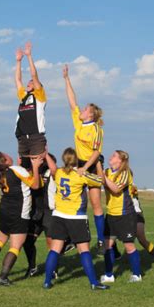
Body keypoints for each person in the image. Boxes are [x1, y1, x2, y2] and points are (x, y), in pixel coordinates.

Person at [43, 148, 109, 290]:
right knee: (84, 250)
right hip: (76, 217)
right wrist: (97, 164)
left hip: (59, 216)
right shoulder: (81, 175)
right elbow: (101, 181)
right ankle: (93, 282)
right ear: (77, 160)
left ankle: (47, 281)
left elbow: (52, 169)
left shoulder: (59, 173)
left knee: (54, 249)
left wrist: (46, 153)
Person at [0, 152, 42, 286]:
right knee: (15, 246)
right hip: (18, 212)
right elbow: (35, 185)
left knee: (0, 240)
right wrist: (36, 166)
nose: (9, 154)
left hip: (4, 210)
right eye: (6, 155)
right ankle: (3, 277)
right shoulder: (16, 170)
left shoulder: (2, 174)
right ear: (5, 160)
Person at [63, 64, 106, 255]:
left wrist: (85, 168)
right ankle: (74, 238)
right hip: (78, 164)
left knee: (95, 203)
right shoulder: (79, 122)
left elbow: (96, 153)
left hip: (93, 164)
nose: (81, 110)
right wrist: (66, 79)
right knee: (76, 201)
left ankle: (102, 240)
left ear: (91, 114)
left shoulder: (96, 129)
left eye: (85, 109)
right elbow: (72, 102)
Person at [101, 150, 143, 283]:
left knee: (129, 245)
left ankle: (137, 275)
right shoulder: (106, 171)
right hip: (111, 214)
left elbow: (116, 189)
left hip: (125, 215)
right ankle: (109, 275)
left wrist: (102, 176)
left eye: (114, 155)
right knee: (107, 245)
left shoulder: (126, 172)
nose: (111, 156)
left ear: (121, 160)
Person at [21, 154, 57, 278]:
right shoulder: (31, 172)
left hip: (49, 212)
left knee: (51, 243)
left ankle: (53, 269)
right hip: (35, 213)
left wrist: (45, 155)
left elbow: (54, 169)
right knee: (27, 242)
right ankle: (32, 267)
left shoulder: (52, 173)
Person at [15, 41, 47, 158]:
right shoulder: (24, 96)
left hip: (35, 137)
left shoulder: (39, 96)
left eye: (31, 82)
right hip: (22, 137)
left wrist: (29, 56)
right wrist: (18, 61)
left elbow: (34, 75)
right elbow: (18, 80)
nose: (29, 82)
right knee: (25, 169)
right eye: (28, 82)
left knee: (37, 165)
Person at [131, 184, 154, 264]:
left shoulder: (132, 185)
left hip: (136, 213)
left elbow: (132, 191)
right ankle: (117, 256)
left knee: (142, 239)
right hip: (120, 214)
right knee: (111, 236)